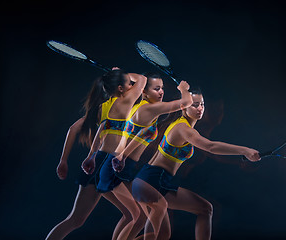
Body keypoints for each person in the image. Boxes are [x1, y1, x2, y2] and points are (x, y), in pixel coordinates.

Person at [131, 88, 261, 240]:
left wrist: (242, 159)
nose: (200, 108)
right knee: (159, 234)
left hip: (160, 184)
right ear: (184, 106)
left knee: (204, 210)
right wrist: (245, 150)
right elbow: (210, 147)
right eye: (195, 105)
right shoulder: (182, 128)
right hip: (148, 182)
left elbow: (212, 151)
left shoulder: (189, 128)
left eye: (202, 104)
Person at [82, 73, 193, 239]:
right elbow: (186, 103)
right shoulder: (149, 108)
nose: (161, 92)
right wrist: (184, 89)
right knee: (141, 215)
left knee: (139, 219)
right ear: (145, 93)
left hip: (119, 166)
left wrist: (92, 156)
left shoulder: (138, 107)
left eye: (162, 88)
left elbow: (107, 125)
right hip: (117, 168)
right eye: (157, 89)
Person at [46, 68, 147, 240]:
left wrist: (63, 161)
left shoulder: (102, 108)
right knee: (136, 215)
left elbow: (72, 129)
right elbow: (142, 79)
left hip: (101, 162)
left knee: (76, 220)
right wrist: (122, 72)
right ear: (120, 88)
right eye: (128, 83)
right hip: (107, 164)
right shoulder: (126, 102)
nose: (132, 85)